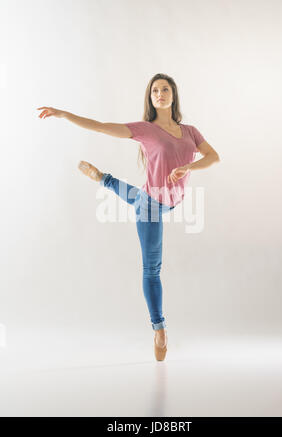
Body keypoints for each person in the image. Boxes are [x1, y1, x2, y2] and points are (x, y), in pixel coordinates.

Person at [37, 73, 220, 361]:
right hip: (152, 206)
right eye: (155, 90)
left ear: (173, 95)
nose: (160, 93)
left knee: (137, 197)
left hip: (171, 201)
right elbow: (100, 127)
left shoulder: (190, 132)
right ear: (150, 97)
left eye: (165, 89)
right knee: (152, 268)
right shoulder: (145, 130)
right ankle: (159, 328)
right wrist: (63, 113)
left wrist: (189, 169)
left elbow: (213, 157)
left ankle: (104, 179)